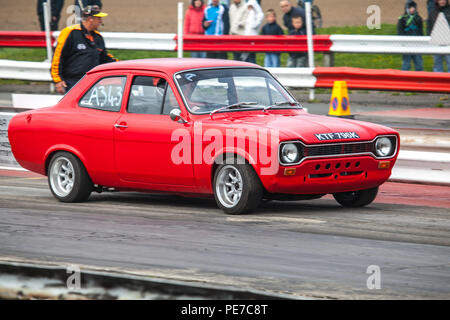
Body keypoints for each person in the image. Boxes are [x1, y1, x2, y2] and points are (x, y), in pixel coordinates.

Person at [51, 5, 118, 94]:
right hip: (72, 82)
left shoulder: (98, 37)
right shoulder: (70, 32)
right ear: (90, 19)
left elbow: (105, 58)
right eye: (99, 18)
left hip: (92, 82)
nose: (101, 21)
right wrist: (58, 80)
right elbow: (58, 57)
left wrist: (122, 64)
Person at [398, 1, 424, 71]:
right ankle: (405, 80)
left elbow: (421, 32)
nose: (412, 9)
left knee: (419, 64)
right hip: (407, 45)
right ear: (407, 8)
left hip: (417, 45)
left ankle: (420, 80)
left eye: (413, 7)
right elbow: (400, 33)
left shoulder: (418, 18)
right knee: (406, 65)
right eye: (410, 8)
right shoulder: (402, 19)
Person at [428, 0, 450, 72]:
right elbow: (429, 27)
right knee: (437, 63)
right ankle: (438, 80)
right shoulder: (433, 12)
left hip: (448, 42)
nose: (442, 1)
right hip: (436, 42)